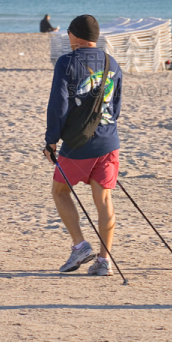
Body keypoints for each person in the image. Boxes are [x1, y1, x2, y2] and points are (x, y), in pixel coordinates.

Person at [44, 14, 122, 276]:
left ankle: (79, 245)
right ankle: (104, 260)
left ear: (75, 35)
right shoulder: (111, 62)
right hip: (109, 140)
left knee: (60, 191)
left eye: (69, 32)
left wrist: (51, 140)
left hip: (78, 142)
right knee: (104, 199)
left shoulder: (67, 62)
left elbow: (58, 105)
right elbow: (116, 107)